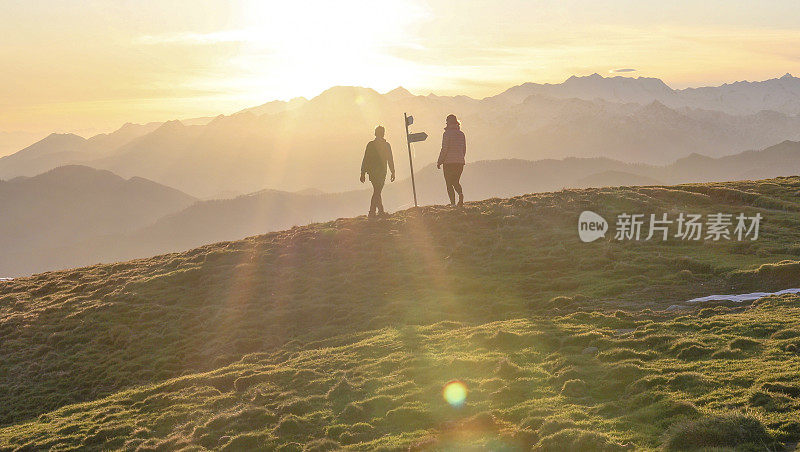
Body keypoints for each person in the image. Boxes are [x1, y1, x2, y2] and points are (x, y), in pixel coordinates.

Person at [360, 125, 395, 217]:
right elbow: (390, 159)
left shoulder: (371, 144)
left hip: (372, 173)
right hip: (382, 172)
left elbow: (365, 159)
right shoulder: (386, 145)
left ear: (375, 133)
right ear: (383, 133)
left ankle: (380, 211)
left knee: (377, 191)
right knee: (377, 191)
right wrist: (393, 171)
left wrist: (363, 173)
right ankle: (373, 212)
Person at [437, 114, 466, 207]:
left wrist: (439, 161)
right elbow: (464, 149)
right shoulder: (462, 134)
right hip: (460, 162)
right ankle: (460, 195)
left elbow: (444, 149)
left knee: (449, 183)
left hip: (448, 163)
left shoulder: (446, 134)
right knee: (456, 181)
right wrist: (461, 158)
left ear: (448, 123)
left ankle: (453, 203)